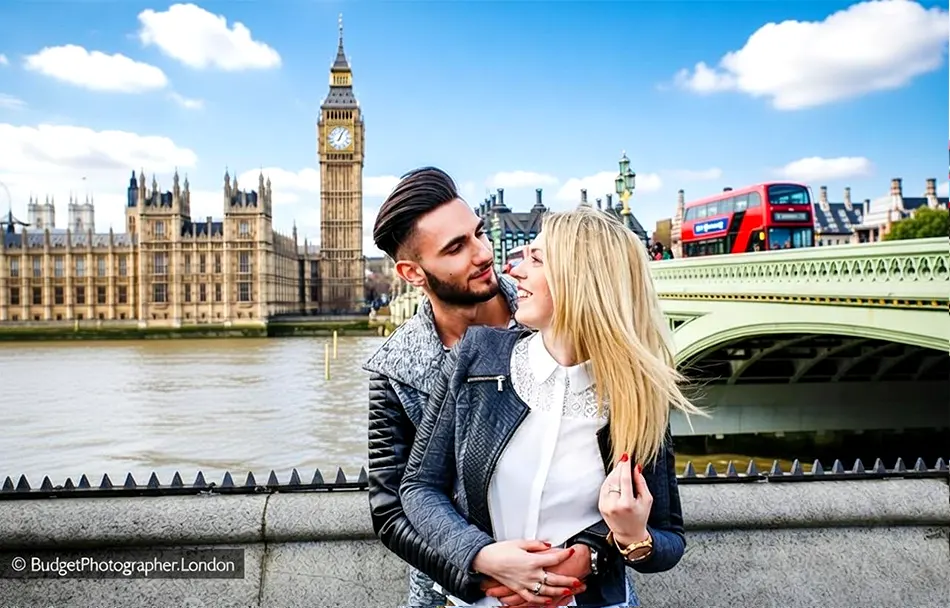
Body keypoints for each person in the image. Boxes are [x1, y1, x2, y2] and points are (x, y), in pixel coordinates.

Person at [400, 206, 704, 606]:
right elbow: (419, 487)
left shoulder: (637, 395)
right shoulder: (476, 356)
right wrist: (481, 555)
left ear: (582, 280)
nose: (514, 272)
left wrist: (628, 540)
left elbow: (669, 538)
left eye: (536, 259)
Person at [364, 168, 611, 607]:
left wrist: (587, 557)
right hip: (454, 595)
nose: (484, 253)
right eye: (456, 248)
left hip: (578, 591)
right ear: (411, 272)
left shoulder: (559, 314)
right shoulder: (396, 370)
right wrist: (482, 570)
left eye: (478, 233)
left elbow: (627, 486)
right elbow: (390, 514)